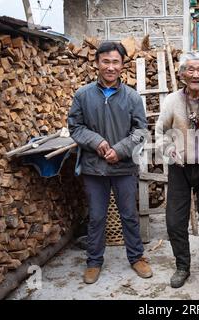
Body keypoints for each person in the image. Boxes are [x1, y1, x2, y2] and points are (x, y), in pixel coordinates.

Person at [68, 41, 152, 284]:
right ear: (97, 63)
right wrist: (96, 142)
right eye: (105, 61)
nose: (110, 67)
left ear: (122, 65)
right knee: (96, 216)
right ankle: (94, 262)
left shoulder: (132, 97)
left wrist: (120, 150)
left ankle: (136, 257)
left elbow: (140, 131)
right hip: (94, 167)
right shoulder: (83, 95)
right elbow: (75, 127)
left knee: (128, 214)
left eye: (116, 62)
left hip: (123, 166)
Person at [155, 52, 199, 289]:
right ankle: (182, 266)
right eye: (190, 70)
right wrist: (169, 150)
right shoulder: (172, 101)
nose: (195, 74)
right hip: (179, 167)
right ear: (182, 74)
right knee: (175, 220)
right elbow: (160, 131)